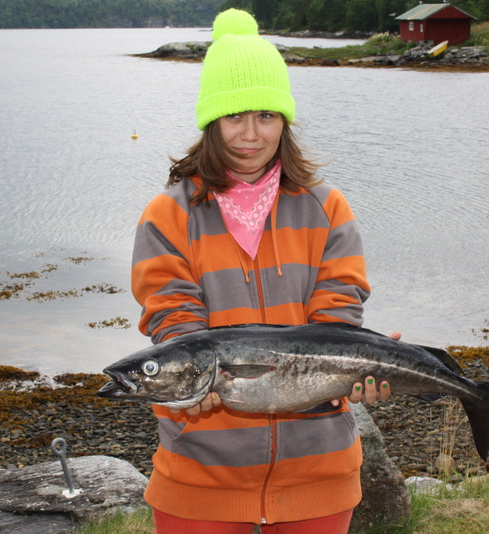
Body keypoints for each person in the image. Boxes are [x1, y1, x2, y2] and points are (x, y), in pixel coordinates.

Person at [131, 9, 394, 533]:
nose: (250, 135)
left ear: (286, 121)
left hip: (318, 475)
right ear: (211, 121)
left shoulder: (327, 208)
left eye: (266, 116)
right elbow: (174, 320)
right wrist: (193, 382)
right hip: (199, 478)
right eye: (235, 117)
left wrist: (357, 368)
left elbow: (338, 314)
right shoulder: (168, 215)